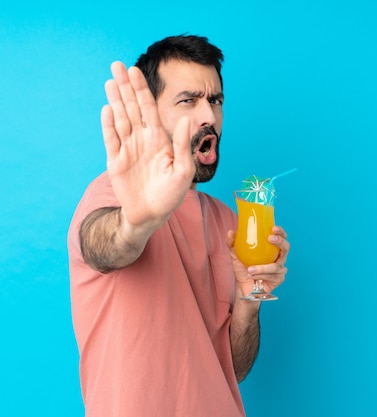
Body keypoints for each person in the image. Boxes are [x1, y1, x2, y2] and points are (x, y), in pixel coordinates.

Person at [67, 35, 290, 417]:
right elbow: (104, 247)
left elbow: (232, 369)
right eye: (188, 100)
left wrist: (250, 301)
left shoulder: (228, 220)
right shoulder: (111, 196)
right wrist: (137, 222)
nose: (208, 116)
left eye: (215, 101)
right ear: (148, 114)